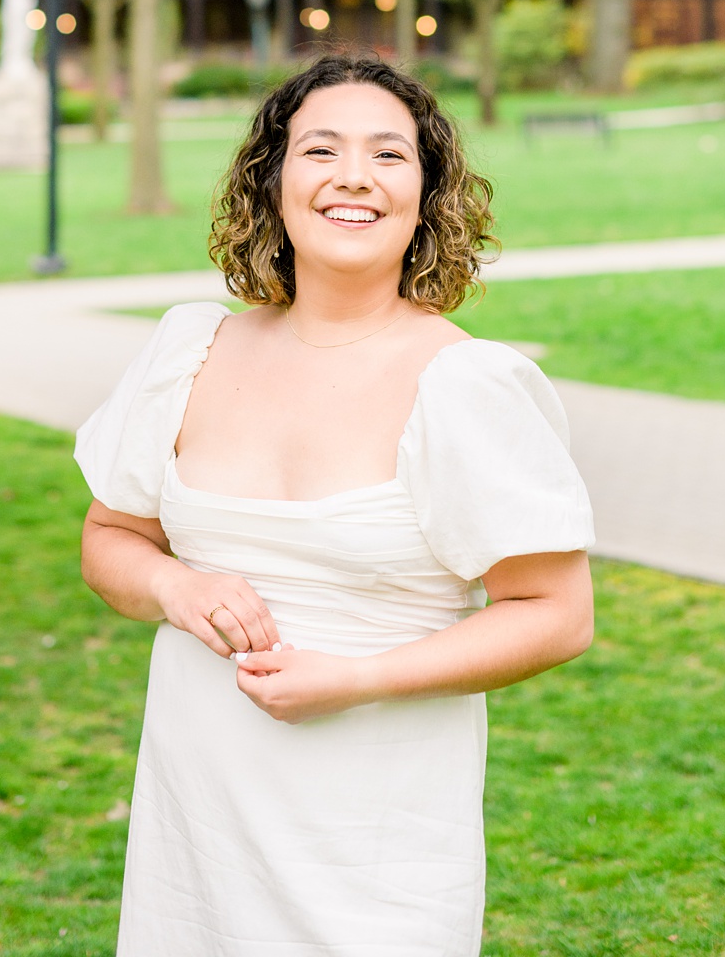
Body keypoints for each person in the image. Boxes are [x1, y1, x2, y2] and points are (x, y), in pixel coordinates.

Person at [75, 50, 594, 955]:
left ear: (427, 196)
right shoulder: (189, 350)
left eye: (389, 155)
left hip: (375, 844)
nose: (353, 176)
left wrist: (357, 680)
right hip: (200, 825)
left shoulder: (465, 385)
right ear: (272, 181)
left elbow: (556, 614)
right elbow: (111, 540)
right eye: (321, 150)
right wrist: (176, 590)